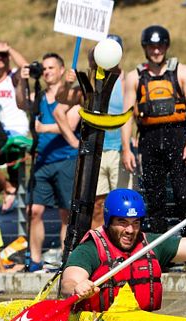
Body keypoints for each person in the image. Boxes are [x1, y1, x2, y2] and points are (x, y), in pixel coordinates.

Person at [61, 189, 186, 311]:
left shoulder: (151, 244)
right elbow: (68, 282)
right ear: (109, 221)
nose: (130, 230)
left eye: (135, 223)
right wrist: (76, 287)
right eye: (122, 222)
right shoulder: (90, 248)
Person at [121, 25, 186, 240]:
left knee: (183, 196)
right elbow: (127, 114)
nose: (156, 51)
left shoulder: (182, 72)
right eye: (152, 47)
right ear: (145, 48)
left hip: (177, 138)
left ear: (166, 46)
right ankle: (158, 250)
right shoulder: (134, 77)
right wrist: (126, 148)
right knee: (154, 200)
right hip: (149, 139)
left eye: (160, 46)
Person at [55, 35, 132, 229]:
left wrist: (129, 146)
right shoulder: (89, 85)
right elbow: (61, 100)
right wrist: (66, 82)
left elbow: (134, 114)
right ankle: (100, 250)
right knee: (97, 206)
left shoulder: (126, 81)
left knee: (124, 204)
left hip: (118, 151)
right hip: (95, 152)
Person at [16, 52, 81, 272]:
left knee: (66, 213)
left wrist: (43, 128)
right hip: (42, 160)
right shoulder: (40, 95)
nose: (46, 72)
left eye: (51, 68)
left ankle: (66, 258)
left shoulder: (72, 95)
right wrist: (22, 80)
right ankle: (34, 259)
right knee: (34, 210)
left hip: (65, 158)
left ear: (62, 70)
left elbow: (70, 124)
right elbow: (21, 103)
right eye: (44, 69)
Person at [0, 40, 30, 211]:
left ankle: (8, 187)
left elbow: (26, 67)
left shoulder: (13, 77)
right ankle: (4, 187)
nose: (0, 58)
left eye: (4, 55)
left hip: (14, 130)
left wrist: (9, 48)